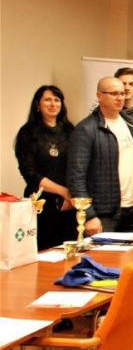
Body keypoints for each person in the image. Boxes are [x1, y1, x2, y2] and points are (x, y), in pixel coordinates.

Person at [67, 77, 133, 234]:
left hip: (132, 209)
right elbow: (76, 176)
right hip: (103, 214)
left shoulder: (132, 124)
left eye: (122, 93)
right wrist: (88, 215)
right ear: (99, 96)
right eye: (114, 93)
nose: (120, 98)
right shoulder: (86, 129)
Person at [14, 85, 76, 250]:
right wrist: (63, 191)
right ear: (37, 105)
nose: (53, 104)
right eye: (48, 100)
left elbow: (77, 165)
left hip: (68, 203)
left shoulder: (70, 130)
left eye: (57, 100)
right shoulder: (27, 133)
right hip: (41, 204)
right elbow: (29, 173)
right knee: (45, 253)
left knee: (69, 252)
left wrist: (71, 193)